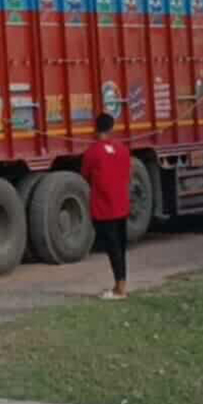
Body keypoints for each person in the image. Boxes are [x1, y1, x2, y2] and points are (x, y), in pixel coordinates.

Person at [81, 113, 132, 300]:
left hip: (104, 208)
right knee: (120, 247)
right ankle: (121, 284)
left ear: (95, 129)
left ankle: (120, 289)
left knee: (112, 248)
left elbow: (85, 175)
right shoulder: (123, 149)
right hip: (122, 206)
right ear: (112, 128)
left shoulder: (92, 152)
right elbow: (128, 173)